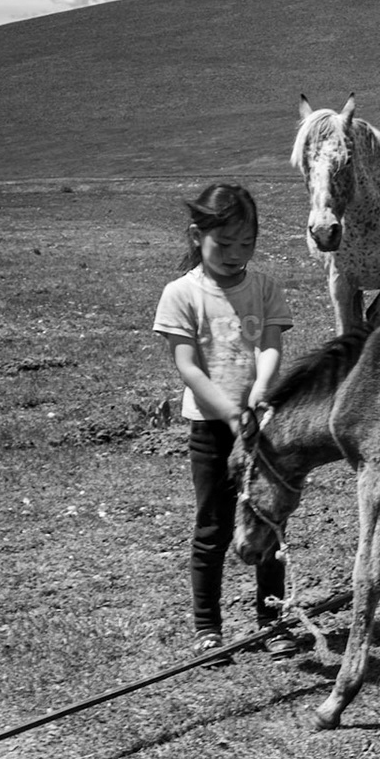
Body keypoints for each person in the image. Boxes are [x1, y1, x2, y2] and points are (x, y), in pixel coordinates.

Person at [151, 183, 300, 660]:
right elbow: (188, 367)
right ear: (198, 237)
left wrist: (259, 393)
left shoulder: (264, 288)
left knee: (268, 521)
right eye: (224, 244)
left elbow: (271, 344)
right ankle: (208, 628)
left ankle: (272, 622)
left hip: (262, 426)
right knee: (212, 527)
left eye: (247, 244)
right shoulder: (181, 294)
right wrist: (230, 411)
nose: (236, 255)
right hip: (211, 431)